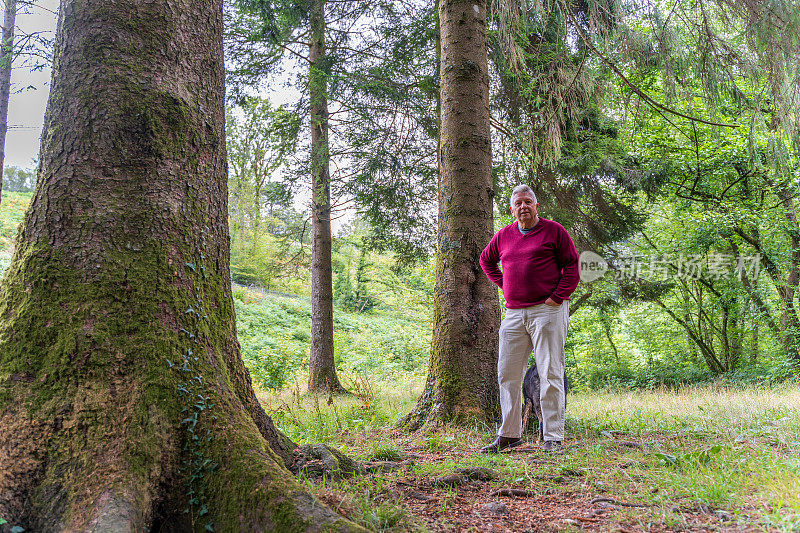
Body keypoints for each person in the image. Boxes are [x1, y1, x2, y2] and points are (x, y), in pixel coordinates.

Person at [479, 184, 579, 453]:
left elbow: (573, 265)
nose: (523, 206)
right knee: (507, 374)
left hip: (547, 311)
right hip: (514, 313)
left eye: (528, 202)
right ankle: (510, 434)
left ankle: (553, 436)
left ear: (536, 206)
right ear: (512, 210)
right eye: (518, 203)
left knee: (550, 372)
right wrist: (504, 284)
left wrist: (558, 296)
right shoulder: (503, 236)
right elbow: (485, 260)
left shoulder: (554, 231)